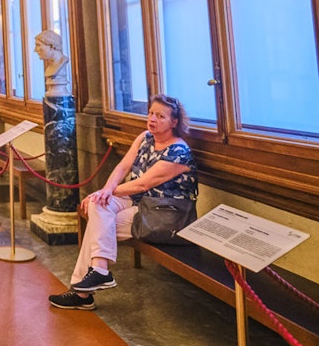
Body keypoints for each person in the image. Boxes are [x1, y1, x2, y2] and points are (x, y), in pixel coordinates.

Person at [49, 94, 197, 311]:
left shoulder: (179, 152)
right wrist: (105, 192)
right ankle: (99, 271)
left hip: (164, 213)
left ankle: (83, 292)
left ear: (175, 122)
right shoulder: (145, 137)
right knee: (99, 208)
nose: (152, 119)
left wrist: (102, 192)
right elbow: (122, 167)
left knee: (97, 225)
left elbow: (142, 185)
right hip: (138, 203)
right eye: (151, 113)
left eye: (161, 116)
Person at [34, 29, 71, 97]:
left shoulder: (62, 64)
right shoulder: (49, 68)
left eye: (38, 45)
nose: (35, 50)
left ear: (51, 46)